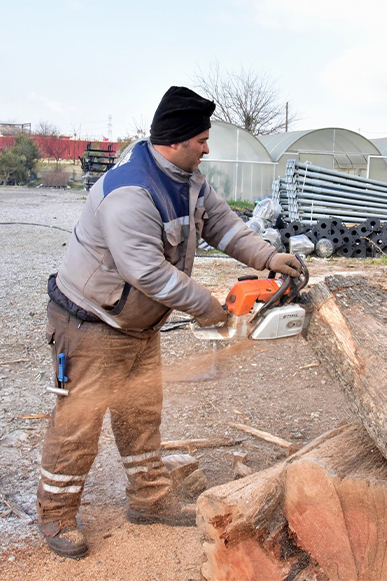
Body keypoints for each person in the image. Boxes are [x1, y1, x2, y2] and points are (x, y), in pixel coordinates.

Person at [36, 86, 302, 559]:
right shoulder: (130, 193)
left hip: (139, 323)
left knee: (141, 414)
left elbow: (222, 225)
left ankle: (150, 500)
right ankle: (56, 514)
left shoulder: (190, 178)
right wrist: (210, 307)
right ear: (176, 140)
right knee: (78, 421)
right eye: (200, 139)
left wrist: (268, 256)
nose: (206, 147)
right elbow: (148, 272)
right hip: (91, 321)